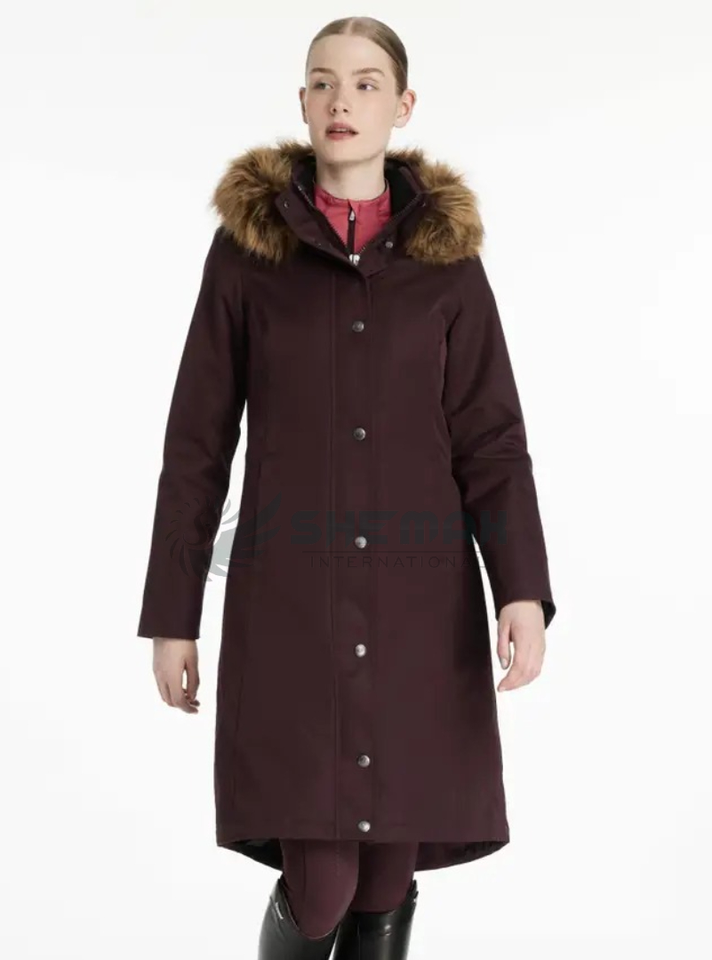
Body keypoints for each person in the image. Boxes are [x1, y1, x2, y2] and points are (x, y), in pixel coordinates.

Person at [137, 16, 556, 960]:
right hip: (292, 611)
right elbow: (197, 442)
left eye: (367, 83)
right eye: (324, 82)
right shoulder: (248, 256)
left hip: (420, 611)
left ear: (403, 107)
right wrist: (173, 615)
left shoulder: (448, 264)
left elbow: (493, 440)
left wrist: (522, 590)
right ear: (301, 102)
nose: (342, 100)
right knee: (321, 877)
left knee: (385, 880)